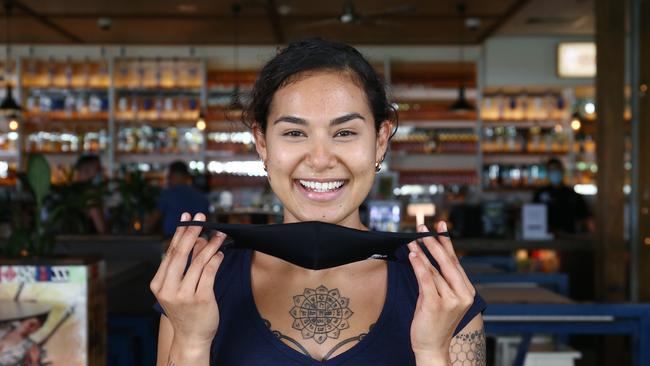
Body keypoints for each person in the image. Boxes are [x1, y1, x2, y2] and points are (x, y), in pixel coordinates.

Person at [150, 39, 486, 365]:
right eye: (294, 133)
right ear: (262, 143)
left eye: (345, 133)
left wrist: (431, 353)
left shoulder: (442, 295)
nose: (321, 159)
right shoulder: (196, 288)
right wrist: (192, 344)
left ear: (381, 140)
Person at [146, 161, 210, 237]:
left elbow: (153, 221)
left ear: (173, 175)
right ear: (186, 176)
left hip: (171, 241)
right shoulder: (201, 196)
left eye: (169, 177)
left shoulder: (168, 194)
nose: (169, 180)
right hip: (196, 241)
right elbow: (208, 224)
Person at [533, 158, 594, 234]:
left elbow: (585, 216)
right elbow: (532, 216)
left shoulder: (572, 194)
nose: (555, 172)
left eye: (557, 169)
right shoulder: (540, 193)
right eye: (551, 170)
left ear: (562, 171)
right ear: (547, 173)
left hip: (570, 237)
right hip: (546, 237)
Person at [71, 154, 107, 234]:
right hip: (90, 243)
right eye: (98, 170)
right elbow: (102, 228)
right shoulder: (90, 195)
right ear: (85, 171)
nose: (101, 173)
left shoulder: (70, 192)